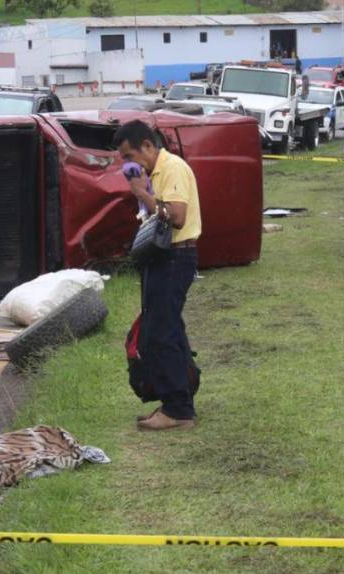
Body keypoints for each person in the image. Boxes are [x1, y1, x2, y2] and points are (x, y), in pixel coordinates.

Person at [113, 120, 201, 432]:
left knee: (161, 332)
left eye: (129, 156)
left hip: (176, 256)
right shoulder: (156, 171)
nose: (128, 164)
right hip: (164, 257)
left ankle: (178, 409)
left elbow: (176, 217)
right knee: (165, 330)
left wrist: (142, 193)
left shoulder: (172, 168)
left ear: (148, 147)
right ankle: (177, 400)